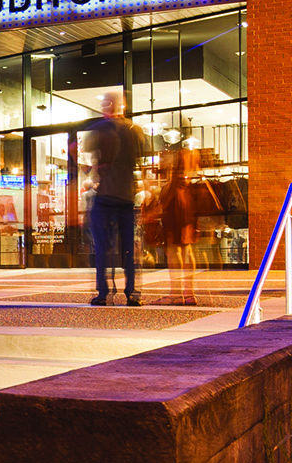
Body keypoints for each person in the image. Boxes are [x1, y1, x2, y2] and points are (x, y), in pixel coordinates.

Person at [80, 93, 150, 306]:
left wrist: (92, 169)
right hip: (126, 196)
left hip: (105, 195)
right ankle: (132, 293)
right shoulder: (134, 130)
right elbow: (143, 157)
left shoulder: (99, 129)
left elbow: (84, 153)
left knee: (102, 247)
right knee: (128, 247)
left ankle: (103, 292)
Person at [153, 145, 201, 305]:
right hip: (186, 203)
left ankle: (176, 293)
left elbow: (172, 185)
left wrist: (161, 203)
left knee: (174, 250)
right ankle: (189, 293)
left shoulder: (178, 161)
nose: (162, 159)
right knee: (187, 248)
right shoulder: (190, 156)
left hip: (176, 204)